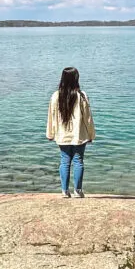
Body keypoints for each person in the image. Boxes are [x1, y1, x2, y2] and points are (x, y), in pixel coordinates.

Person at [46, 67, 96, 198]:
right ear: (76, 79)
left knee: (64, 161)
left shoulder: (56, 96)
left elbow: (51, 116)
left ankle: (64, 191)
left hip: (62, 135)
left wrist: (50, 134)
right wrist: (91, 134)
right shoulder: (82, 96)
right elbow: (88, 118)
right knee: (78, 160)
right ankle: (78, 191)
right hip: (79, 134)